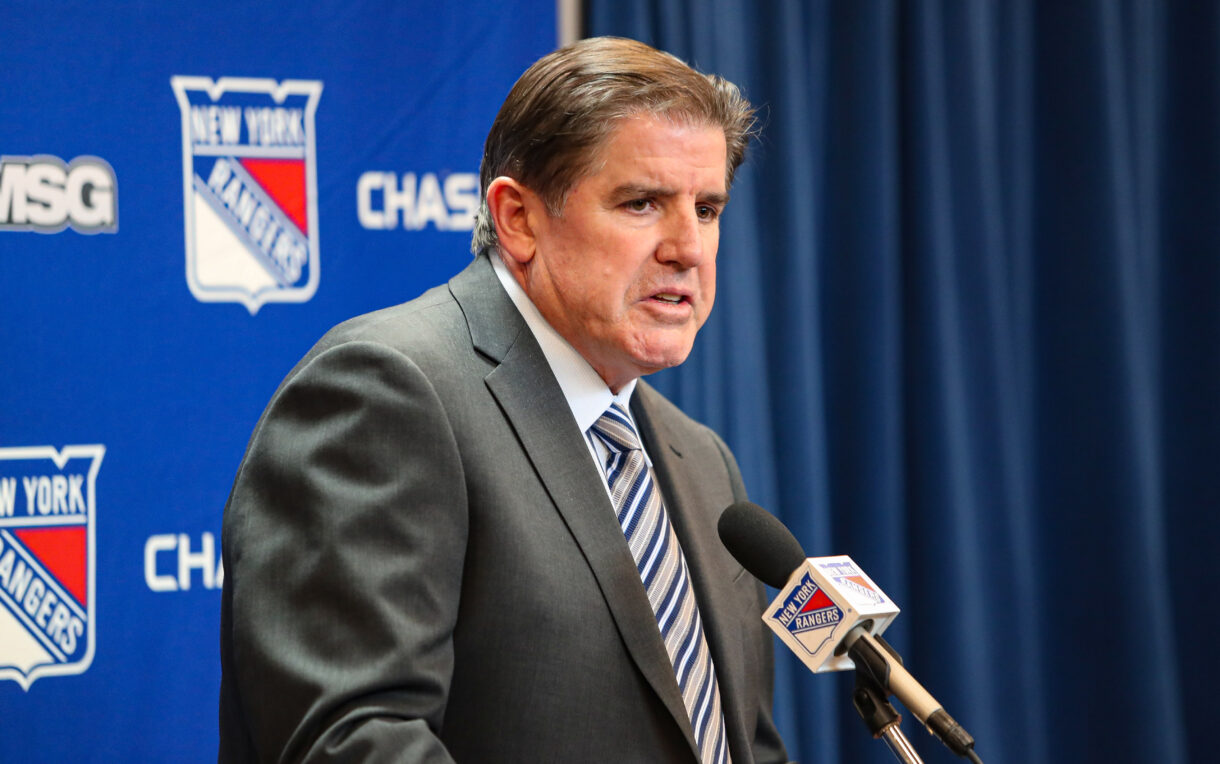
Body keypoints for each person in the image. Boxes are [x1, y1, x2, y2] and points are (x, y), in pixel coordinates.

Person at [219, 36, 789, 764]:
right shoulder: (387, 393)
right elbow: (351, 741)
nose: (689, 247)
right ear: (518, 218)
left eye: (707, 209)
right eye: (643, 203)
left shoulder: (701, 460)